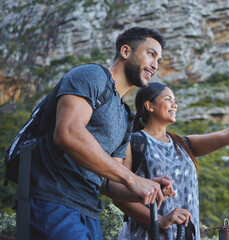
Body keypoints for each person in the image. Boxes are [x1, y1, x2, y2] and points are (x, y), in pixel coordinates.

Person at [28, 27, 173, 240]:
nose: (155, 65)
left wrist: (148, 187)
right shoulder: (91, 75)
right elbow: (67, 132)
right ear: (125, 51)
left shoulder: (125, 118)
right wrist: (132, 179)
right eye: (151, 54)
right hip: (53, 201)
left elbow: (107, 184)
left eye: (159, 60)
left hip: (89, 212)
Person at [115, 82, 229, 240]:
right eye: (168, 99)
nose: (175, 105)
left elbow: (226, 135)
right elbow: (120, 197)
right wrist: (161, 219)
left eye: (175, 101)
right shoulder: (134, 143)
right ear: (149, 106)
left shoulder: (182, 144)